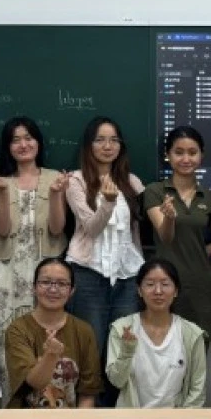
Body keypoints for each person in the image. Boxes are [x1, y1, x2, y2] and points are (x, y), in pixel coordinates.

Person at [0, 117, 69, 401]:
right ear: (8, 147)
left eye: (28, 138)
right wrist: (3, 192)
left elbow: (57, 229)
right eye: (15, 140)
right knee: (0, 336)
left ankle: (39, 403)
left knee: (40, 335)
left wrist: (56, 195)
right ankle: (0, 406)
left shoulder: (55, 178)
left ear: (38, 142)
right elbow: (2, 229)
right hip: (3, 271)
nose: (23, 144)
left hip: (42, 271)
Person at [5, 256, 103, 419]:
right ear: (34, 287)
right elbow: (34, 382)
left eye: (61, 284)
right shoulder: (18, 329)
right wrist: (51, 355)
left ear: (72, 291)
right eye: (46, 282)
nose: (53, 289)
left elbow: (88, 392)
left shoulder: (83, 331)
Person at [107, 259, 207, 419]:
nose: (158, 291)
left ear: (176, 290)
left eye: (165, 284)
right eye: (150, 284)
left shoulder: (191, 333)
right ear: (139, 290)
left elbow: (197, 392)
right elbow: (116, 380)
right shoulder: (122, 328)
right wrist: (128, 351)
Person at [65, 116, 144, 394]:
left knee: (123, 348)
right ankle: (90, 409)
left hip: (127, 275)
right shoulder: (76, 181)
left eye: (114, 140)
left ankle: (119, 409)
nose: (108, 146)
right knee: (92, 348)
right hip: (88, 272)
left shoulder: (132, 182)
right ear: (89, 145)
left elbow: (140, 227)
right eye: (100, 140)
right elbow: (91, 227)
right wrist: (108, 203)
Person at [144, 126, 211, 343]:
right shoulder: (155, 191)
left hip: (201, 285)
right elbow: (166, 237)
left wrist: (196, 252)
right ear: (168, 155)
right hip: (164, 284)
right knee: (163, 347)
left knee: (198, 348)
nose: (186, 159)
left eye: (192, 152)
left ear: (201, 155)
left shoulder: (209, 197)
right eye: (178, 152)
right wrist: (170, 218)